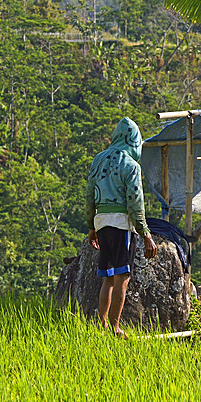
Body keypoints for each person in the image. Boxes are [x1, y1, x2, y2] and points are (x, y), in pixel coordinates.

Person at [86, 117, 157, 337]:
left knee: (107, 276)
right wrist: (145, 233)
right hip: (120, 224)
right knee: (122, 276)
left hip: (102, 222)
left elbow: (90, 196)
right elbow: (135, 202)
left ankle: (102, 323)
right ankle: (116, 327)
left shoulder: (98, 160)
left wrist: (91, 226)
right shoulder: (130, 165)